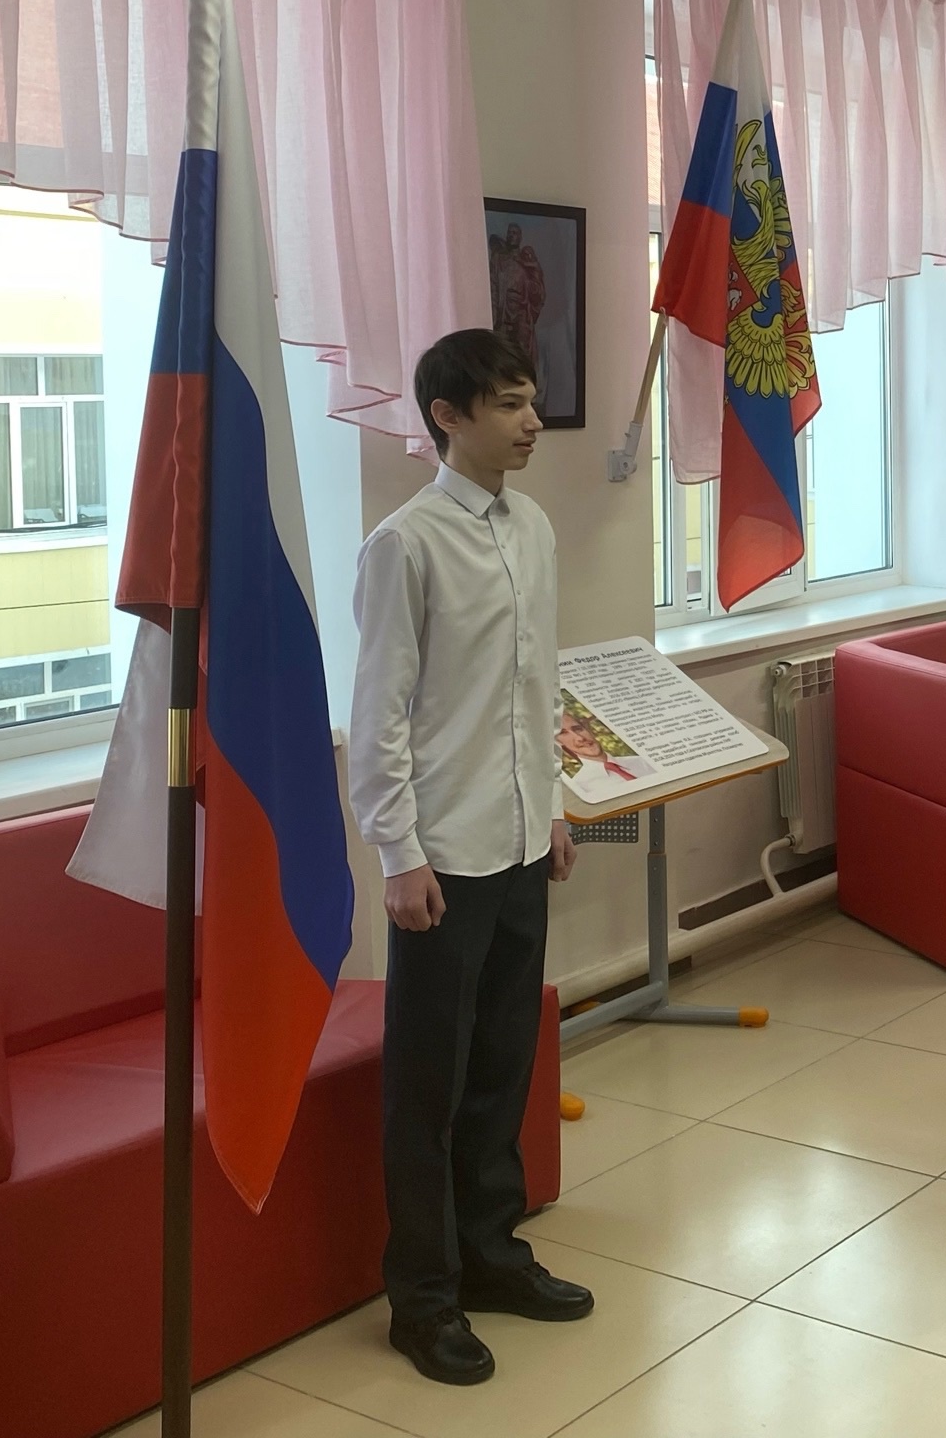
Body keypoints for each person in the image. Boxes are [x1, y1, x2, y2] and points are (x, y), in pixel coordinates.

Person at [349, 330, 588, 1388]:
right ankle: (423, 1297)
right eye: (508, 405)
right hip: (442, 856)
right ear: (448, 417)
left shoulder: (533, 527)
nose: (531, 423)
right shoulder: (404, 544)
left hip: (521, 841)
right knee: (428, 1085)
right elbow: (380, 712)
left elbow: (535, 688)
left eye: (531, 401)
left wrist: (555, 810)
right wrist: (398, 854)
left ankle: (492, 1255)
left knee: (502, 1066)